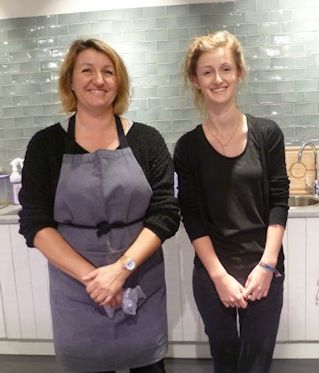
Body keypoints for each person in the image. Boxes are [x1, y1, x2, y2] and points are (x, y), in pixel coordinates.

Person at [19, 38, 180, 373]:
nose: (99, 79)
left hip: (140, 281)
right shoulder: (45, 145)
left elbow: (165, 213)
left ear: (118, 81)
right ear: (71, 81)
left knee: (148, 366)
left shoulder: (147, 140)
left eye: (108, 71)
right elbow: (36, 223)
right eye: (87, 70)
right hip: (78, 289)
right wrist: (95, 280)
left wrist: (121, 270)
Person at [174, 31, 289, 373]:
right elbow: (192, 217)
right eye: (207, 71)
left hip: (264, 270)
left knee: (256, 362)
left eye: (225, 68)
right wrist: (219, 276)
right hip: (213, 273)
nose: (217, 79)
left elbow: (279, 203)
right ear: (195, 80)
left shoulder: (267, 134)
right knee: (224, 359)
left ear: (239, 72)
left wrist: (267, 265)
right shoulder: (187, 148)